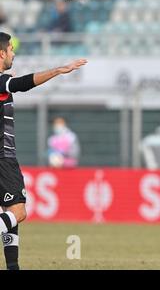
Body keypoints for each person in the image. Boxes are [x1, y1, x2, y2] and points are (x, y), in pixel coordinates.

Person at [0, 32, 87, 270]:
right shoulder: (1, 81)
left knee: (9, 210)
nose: (14, 53)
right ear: (1, 54)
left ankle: (13, 266)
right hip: (3, 159)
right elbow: (22, 84)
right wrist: (58, 70)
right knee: (18, 212)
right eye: (11, 49)